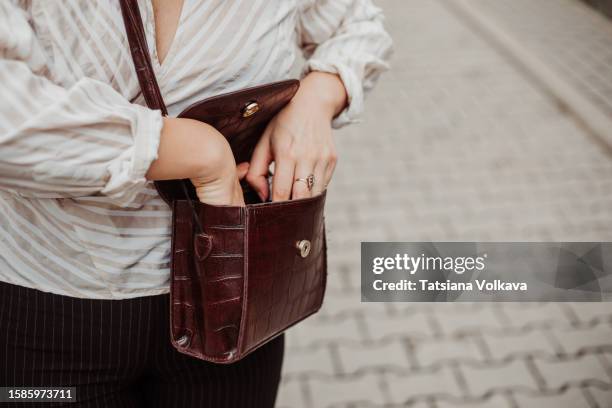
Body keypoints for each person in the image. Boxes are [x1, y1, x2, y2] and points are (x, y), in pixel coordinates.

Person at [0, 0, 392, 406]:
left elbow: (357, 25)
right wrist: (202, 155)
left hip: (231, 297)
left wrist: (315, 101)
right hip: (44, 306)